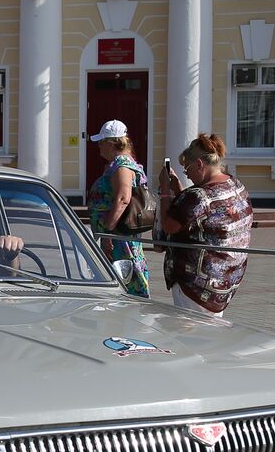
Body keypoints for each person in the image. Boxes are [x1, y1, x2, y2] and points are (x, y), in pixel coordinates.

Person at [157, 133, 253, 317]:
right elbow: (198, 214)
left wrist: (165, 192)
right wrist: (178, 190)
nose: (188, 175)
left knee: (191, 336)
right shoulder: (235, 185)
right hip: (225, 281)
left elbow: (170, 226)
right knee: (210, 336)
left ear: (199, 164)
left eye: (187, 169)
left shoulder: (198, 196)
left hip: (196, 286)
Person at [86, 120, 151, 298]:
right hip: (117, 237)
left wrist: (108, 234)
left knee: (123, 279)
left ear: (111, 143)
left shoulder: (122, 165)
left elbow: (123, 199)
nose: (99, 147)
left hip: (119, 239)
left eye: (101, 142)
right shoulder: (119, 164)